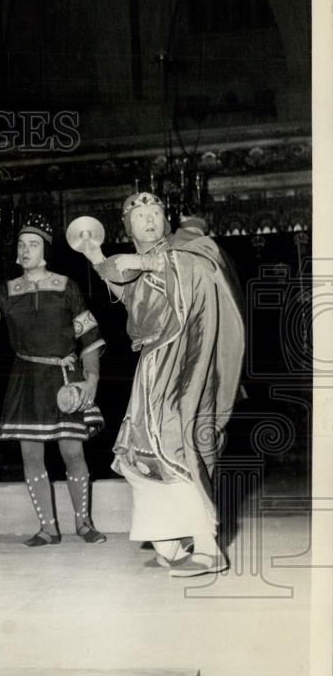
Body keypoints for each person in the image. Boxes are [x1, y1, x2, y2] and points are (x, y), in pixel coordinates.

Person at [78, 192, 244, 576]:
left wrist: (146, 260)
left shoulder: (184, 249)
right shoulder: (141, 262)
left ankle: (207, 547)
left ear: (167, 221)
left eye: (156, 212)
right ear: (128, 227)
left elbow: (200, 269)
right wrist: (96, 257)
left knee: (172, 444)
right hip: (151, 361)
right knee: (138, 453)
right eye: (140, 215)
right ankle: (169, 545)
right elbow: (131, 293)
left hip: (181, 359)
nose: (150, 218)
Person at [0, 217, 106, 547]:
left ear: (45, 253)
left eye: (33, 245)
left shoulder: (66, 286)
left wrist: (92, 381)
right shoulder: (8, 290)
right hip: (25, 378)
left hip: (64, 378)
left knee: (72, 451)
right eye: (21, 245)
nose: (25, 250)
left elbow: (90, 338)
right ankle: (47, 528)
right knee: (31, 456)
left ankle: (84, 523)